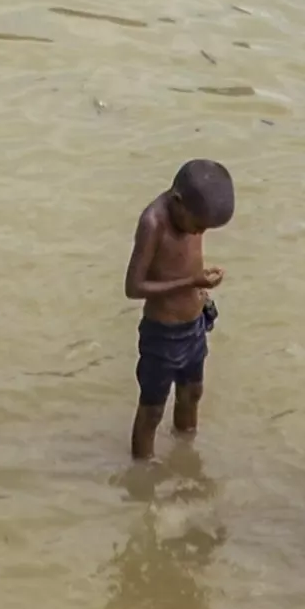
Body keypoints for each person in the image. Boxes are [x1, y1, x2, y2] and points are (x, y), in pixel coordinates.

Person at [124, 158, 233, 460]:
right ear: (177, 202)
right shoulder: (153, 223)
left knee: (192, 393)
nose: (199, 232)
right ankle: (142, 473)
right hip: (163, 335)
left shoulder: (192, 216)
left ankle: (186, 458)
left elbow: (187, 261)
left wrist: (202, 291)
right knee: (152, 409)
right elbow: (134, 287)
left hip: (194, 327)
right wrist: (190, 282)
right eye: (198, 225)